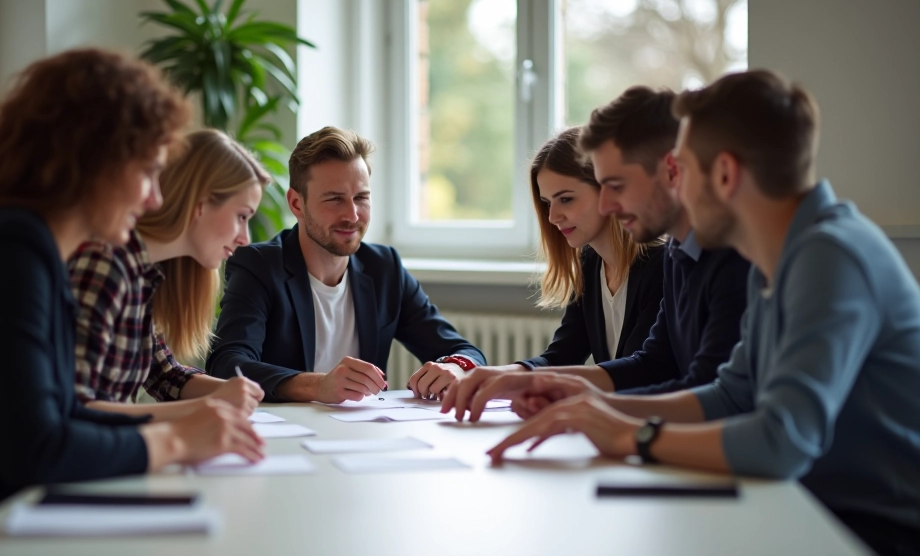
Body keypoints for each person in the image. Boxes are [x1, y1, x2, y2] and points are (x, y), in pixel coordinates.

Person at [482, 70, 920, 555]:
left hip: (866, 532)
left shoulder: (831, 256)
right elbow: (732, 395)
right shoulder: (773, 259)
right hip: (802, 509)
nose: (676, 186)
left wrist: (631, 434)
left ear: (726, 174)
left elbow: (781, 441)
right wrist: (586, 405)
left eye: (682, 170)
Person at [0, 49, 264, 554]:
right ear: (96, 162)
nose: (156, 198)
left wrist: (197, 422)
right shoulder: (10, 249)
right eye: (148, 172)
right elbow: (40, 449)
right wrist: (177, 440)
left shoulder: (29, 246)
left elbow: (64, 411)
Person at [444, 86, 750, 419]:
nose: (607, 205)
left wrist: (593, 410)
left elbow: (707, 395)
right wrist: (523, 379)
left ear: (673, 170)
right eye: (548, 203)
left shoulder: (715, 260)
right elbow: (651, 364)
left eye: (615, 186)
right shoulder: (679, 253)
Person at [206, 126, 485, 403]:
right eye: (334, 199)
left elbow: (462, 350)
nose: (352, 215)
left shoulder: (384, 268)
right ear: (296, 203)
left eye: (361, 198)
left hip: (359, 432)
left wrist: (455, 367)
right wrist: (316, 386)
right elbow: (227, 364)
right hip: (280, 434)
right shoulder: (260, 266)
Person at [70, 129, 268, 421]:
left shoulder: (144, 272)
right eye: (242, 216)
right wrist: (207, 409)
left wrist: (230, 391)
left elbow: (164, 374)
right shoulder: (106, 265)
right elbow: (78, 407)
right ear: (199, 204)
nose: (245, 238)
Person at [446, 127, 664, 389]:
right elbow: (561, 357)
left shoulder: (661, 264)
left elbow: (643, 372)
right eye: (548, 203)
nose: (552, 217)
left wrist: (519, 381)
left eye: (566, 199)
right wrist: (490, 375)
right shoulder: (590, 263)